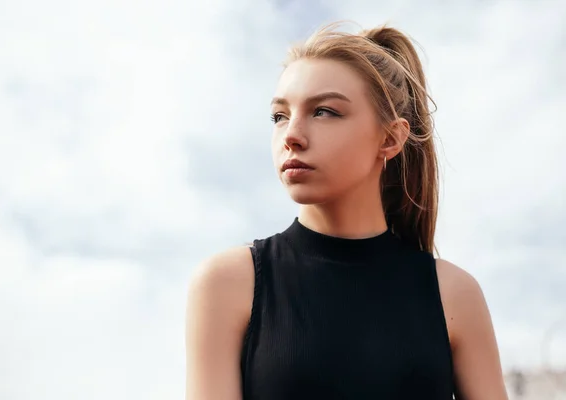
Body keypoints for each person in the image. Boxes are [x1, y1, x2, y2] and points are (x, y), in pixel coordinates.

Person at [185, 22, 508, 400]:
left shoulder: (453, 295)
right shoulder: (228, 284)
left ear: (390, 138)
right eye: (279, 116)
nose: (291, 135)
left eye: (323, 111)